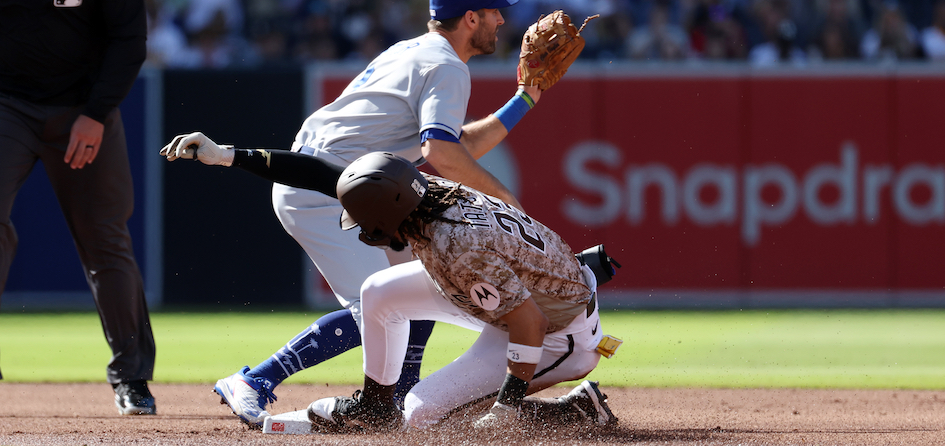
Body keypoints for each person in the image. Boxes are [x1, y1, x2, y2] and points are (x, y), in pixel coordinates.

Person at [201, 0, 548, 427]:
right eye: (493, 12)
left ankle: (398, 398)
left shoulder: (416, 51)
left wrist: (524, 99)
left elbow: (450, 144)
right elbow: (440, 153)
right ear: (470, 18)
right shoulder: (445, 66)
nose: (501, 21)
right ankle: (256, 380)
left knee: (421, 285)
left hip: (350, 185)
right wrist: (505, 200)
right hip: (326, 189)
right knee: (380, 306)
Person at [159, 137, 621, 432]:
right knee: (378, 292)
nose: (360, 229)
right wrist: (229, 156)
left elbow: (528, 322)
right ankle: (375, 405)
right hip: (513, 295)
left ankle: (570, 411)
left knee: (421, 415)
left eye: (363, 221)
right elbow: (320, 173)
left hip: (556, 333)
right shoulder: (420, 192)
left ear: (386, 216)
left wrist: (506, 405)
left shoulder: (454, 245)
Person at [0, 0, 155, 415]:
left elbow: (129, 39)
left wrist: (96, 113)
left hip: (81, 109)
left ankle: (132, 378)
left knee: (105, 241)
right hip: (8, 106)